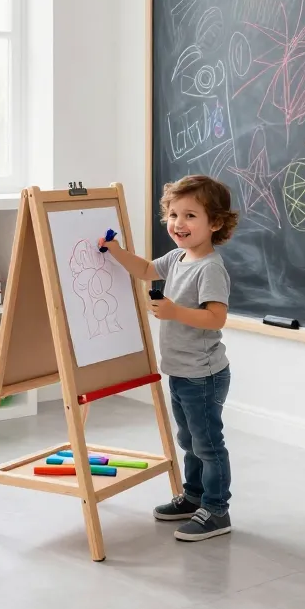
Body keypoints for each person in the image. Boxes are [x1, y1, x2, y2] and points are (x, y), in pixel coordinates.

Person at [99, 174, 238, 542]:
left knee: (207, 443)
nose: (179, 224)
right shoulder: (178, 257)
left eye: (191, 216)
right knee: (189, 439)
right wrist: (114, 251)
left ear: (216, 223)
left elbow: (216, 317)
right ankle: (194, 497)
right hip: (180, 371)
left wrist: (175, 312)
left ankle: (217, 510)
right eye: (174, 214)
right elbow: (146, 270)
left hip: (204, 374)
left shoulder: (210, 268)